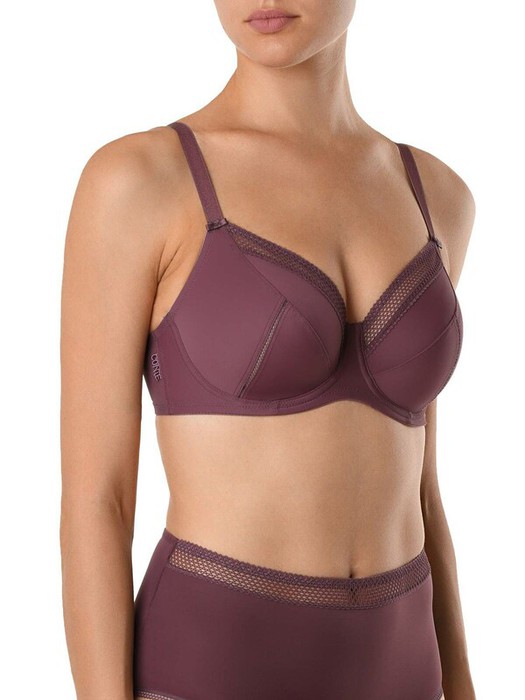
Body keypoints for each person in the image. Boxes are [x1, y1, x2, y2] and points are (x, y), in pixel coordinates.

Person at [60, 2, 476, 699]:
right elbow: (97, 500)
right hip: (213, 665)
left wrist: (462, 685)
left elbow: (423, 494)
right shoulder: (141, 180)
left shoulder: (437, 196)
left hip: (405, 669)